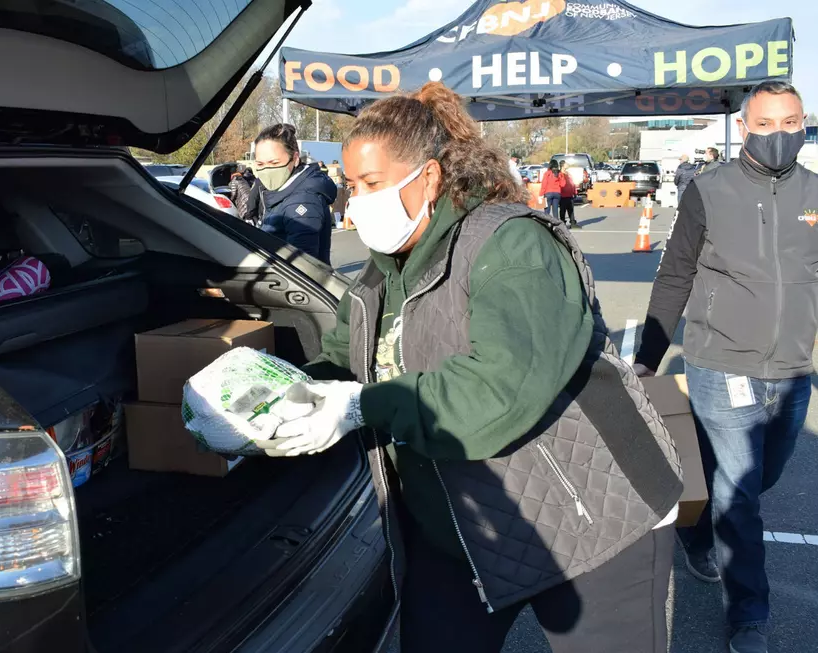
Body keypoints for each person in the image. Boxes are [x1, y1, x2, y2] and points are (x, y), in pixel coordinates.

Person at [258, 82, 683, 653]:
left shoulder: (513, 245)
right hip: (460, 527)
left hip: (589, 518)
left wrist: (362, 405)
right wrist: (276, 394)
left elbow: (499, 391)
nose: (354, 203)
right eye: (352, 186)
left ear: (428, 177)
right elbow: (345, 357)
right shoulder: (383, 269)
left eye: (373, 184)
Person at [633, 80, 818, 653]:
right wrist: (645, 361)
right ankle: (749, 617)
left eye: (791, 123)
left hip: (791, 372)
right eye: (766, 124)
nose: (779, 135)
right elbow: (675, 275)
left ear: (804, 122)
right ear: (744, 128)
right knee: (740, 494)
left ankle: (695, 531)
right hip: (721, 365)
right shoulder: (708, 190)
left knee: (760, 477)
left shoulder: (816, 192)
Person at [252, 124, 337, 264]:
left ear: (295, 158)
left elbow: (303, 266)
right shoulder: (282, 192)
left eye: (274, 163)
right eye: (260, 164)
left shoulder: (302, 201)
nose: (267, 170)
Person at [559, 160, 579, 228]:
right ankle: (562, 223)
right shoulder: (560, 174)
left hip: (570, 194)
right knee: (563, 210)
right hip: (562, 195)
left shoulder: (568, 173)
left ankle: (573, 222)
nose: (567, 165)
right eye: (566, 164)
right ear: (562, 165)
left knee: (571, 210)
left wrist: (575, 192)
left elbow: (572, 183)